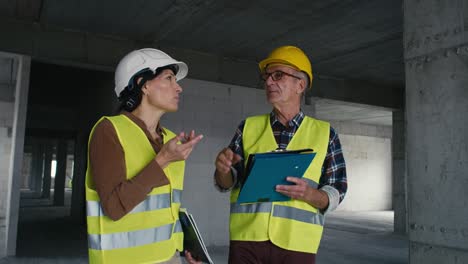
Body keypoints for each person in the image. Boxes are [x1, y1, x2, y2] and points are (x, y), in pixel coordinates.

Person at [214, 45, 347, 264]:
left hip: (298, 244)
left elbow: (337, 189)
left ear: (300, 85)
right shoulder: (248, 127)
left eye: (278, 75)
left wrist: (310, 195)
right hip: (247, 241)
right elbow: (227, 183)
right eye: (266, 76)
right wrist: (223, 170)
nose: (268, 82)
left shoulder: (325, 134)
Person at [85, 48, 203, 264]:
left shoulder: (170, 140)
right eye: (169, 78)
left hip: (169, 257)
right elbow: (113, 207)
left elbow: (167, 208)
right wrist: (163, 160)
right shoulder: (109, 130)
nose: (178, 87)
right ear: (143, 83)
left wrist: (185, 247)